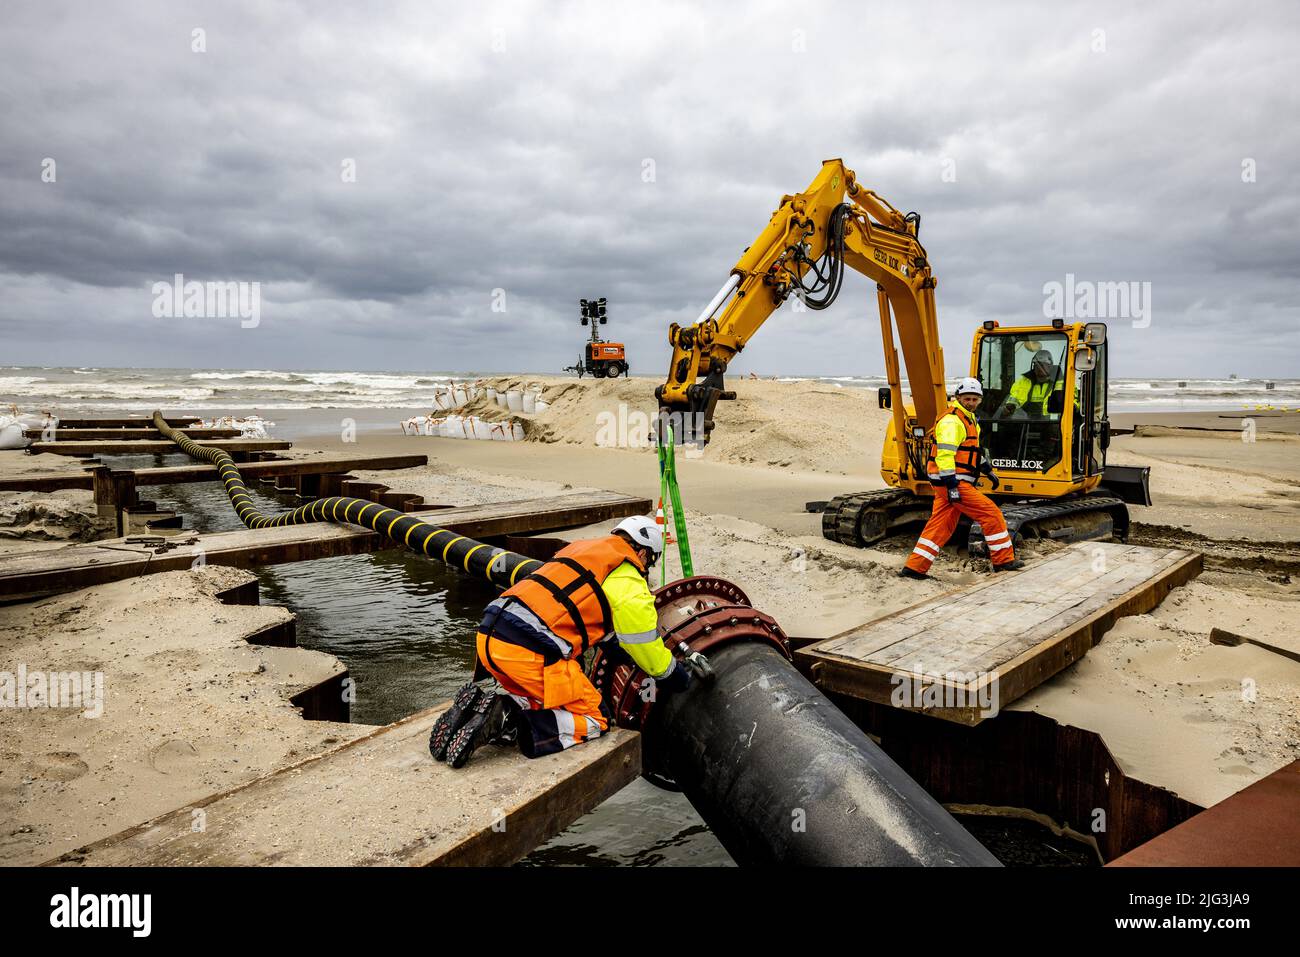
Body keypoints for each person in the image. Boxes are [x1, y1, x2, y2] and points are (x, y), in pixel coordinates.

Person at [430, 515, 691, 768]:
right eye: (649, 562)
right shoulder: (628, 579)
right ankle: (508, 721)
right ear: (644, 553)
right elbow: (642, 642)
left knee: (549, 698)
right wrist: (673, 673)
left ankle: (480, 709)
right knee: (595, 718)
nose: (646, 569)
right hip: (528, 652)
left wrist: (617, 650)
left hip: (490, 637)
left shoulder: (581, 550)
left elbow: (578, 608)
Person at [899, 377, 1023, 579]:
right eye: (967, 398)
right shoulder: (952, 421)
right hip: (952, 482)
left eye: (975, 399)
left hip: (949, 482)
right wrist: (952, 485)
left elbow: (970, 450)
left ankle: (914, 568)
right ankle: (1003, 561)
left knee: (940, 525)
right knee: (991, 515)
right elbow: (945, 455)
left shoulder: (969, 419)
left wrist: (986, 469)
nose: (971, 402)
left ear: (980, 400)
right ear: (958, 397)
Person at [999, 349, 1063, 418]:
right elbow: (1014, 397)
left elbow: (1072, 400)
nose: (1039, 368)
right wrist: (1010, 406)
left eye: (1042, 365)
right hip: (1027, 423)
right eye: (1036, 364)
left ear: (1050, 366)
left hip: (1054, 424)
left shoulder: (1062, 383)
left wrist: (1074, 407)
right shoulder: (1023, 382)